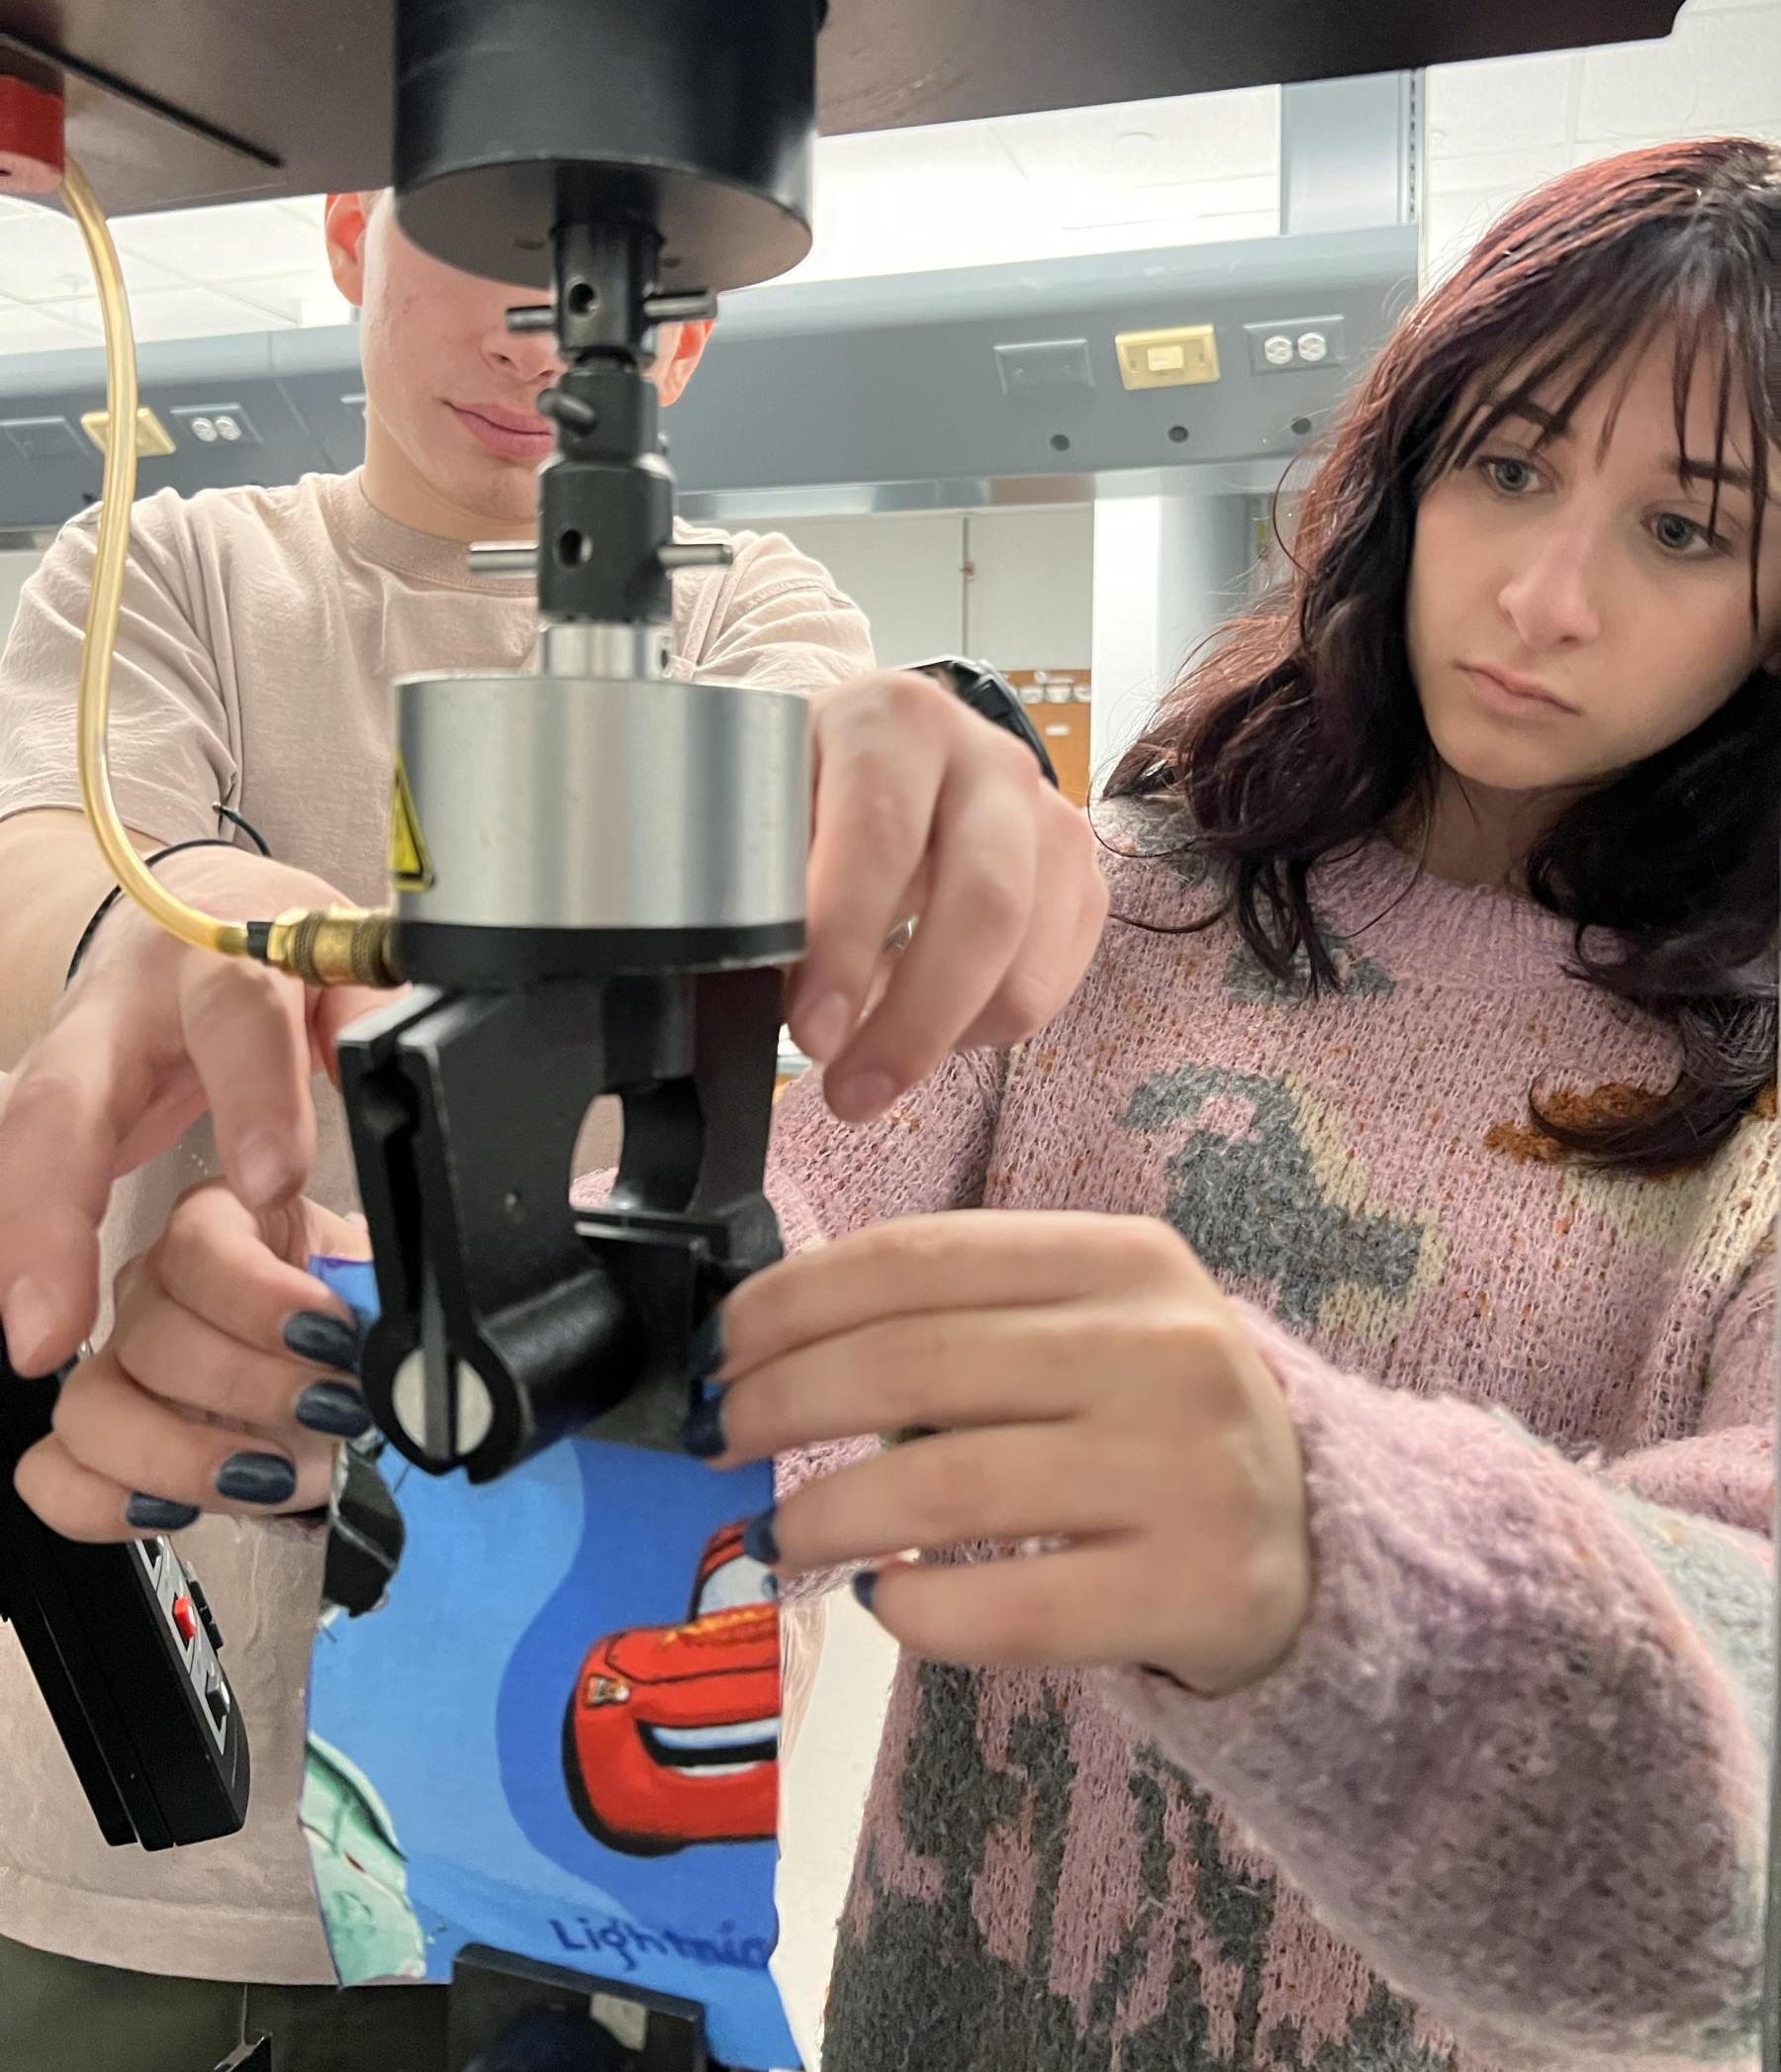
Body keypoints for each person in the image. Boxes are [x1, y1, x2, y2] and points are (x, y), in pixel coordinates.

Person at [671, 136, 1779, 2067]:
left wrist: (1337, 1555)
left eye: (1683, 530)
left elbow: (1738, 1802)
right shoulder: (1120, 900)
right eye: (1509, 465)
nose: (1543, 593)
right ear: (1408, 466)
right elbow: (765, 1290)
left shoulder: (1756, 1108)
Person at [0, 186, 1105, 2067]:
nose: (543, 331)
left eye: (610, 281)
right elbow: (50, 862)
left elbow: (830, 727)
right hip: (154, 1850)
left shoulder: (753, 615)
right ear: (349, 228)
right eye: (486, 235)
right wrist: (190, 933)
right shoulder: (167, 572)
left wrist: (934, 760)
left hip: (582, 1822)